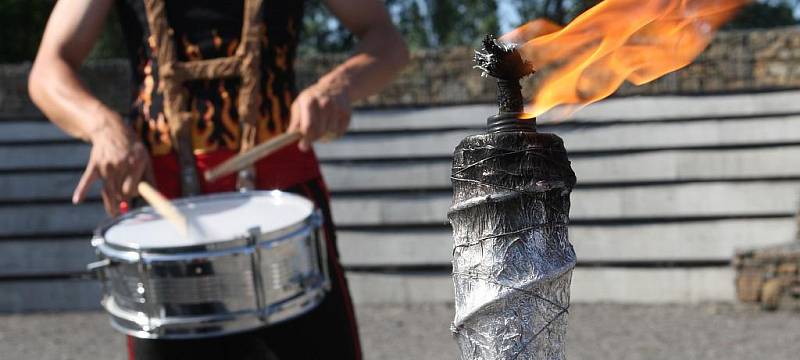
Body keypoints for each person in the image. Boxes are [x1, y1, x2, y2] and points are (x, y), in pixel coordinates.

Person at [28, 0, 409, 359]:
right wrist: (102, 126)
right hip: (163, 212)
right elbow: (49, 69)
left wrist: (338, 85)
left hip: (283, 202)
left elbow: (386, 40)